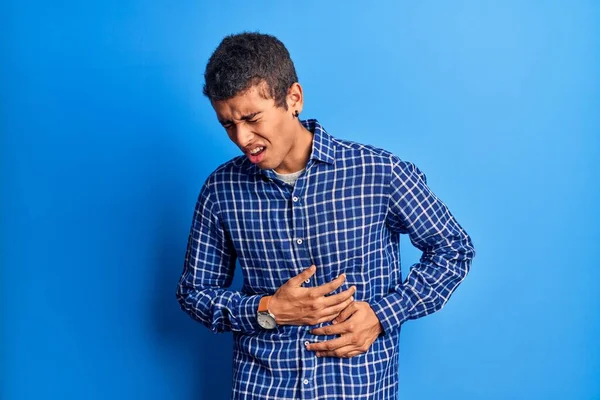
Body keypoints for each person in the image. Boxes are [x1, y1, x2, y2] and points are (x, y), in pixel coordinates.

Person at [176, 32, 475, 400]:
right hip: (263, 389)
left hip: (356, 389)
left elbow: (453, 249)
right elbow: (194, 294)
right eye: (228, 124)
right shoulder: (222, 190)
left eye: (252, 118)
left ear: (293, 98)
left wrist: (384, 314)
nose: (241, 137)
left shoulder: (378, 172)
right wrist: (267, 309)